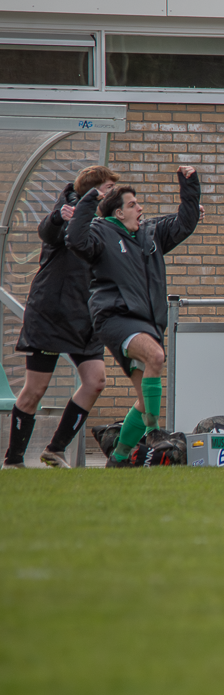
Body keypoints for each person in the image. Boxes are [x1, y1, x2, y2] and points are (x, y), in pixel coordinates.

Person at [66, 167, 201, 467]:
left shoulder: (150, 234)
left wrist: (189, 184)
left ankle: (119, 457)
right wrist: (90, 198)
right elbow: (75, 240)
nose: (140, 208)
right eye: (132, 204)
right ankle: (154, 433)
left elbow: (185, 222)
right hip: (115, 317)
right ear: (117, 213)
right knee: (155, 356)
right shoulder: (101, 232)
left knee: (144, 400)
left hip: (147, 322)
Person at [3, 166, 118, 469]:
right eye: (108, 187)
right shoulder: (67, 211)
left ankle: (55, 449)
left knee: (96, 381)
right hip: (52, 314)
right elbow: (49, 231)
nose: (112, 193)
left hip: (84, 317)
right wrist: (58, 217)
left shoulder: (105, 221)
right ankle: (13, 460)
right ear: (92, 190)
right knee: (34, 391)